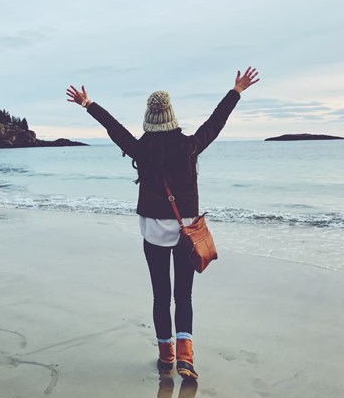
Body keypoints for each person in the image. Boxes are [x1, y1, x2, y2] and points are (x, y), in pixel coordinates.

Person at [66, 67, 260, 379]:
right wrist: (235, 91)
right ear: (171, 115)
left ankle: (165, 356)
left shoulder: (141, 149)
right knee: (184, 295)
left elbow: (114, 129)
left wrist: (89, 105)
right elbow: (215, 123)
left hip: (153, 231)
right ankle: (186, 357)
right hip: (186, 230)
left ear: (150, 117)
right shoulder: (188, 147)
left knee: (161, 295)